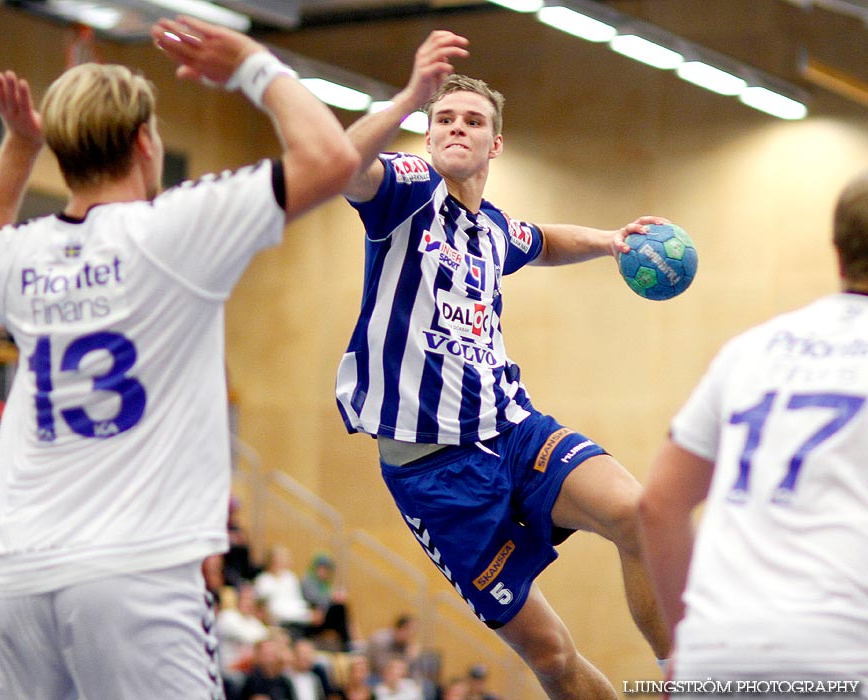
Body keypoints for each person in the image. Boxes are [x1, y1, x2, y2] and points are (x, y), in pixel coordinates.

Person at [0, 15, 358, 700]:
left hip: (14, 583)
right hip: (136, 578)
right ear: (146, 142)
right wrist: (255, 63)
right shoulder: (174, 230)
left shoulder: (24, 256)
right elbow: (331, 159)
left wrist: (21, 146)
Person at [335, 29, 669, 699]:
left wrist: (608, 241)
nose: (456, 128)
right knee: (551, 655)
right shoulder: (404, 194)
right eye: (444, 120)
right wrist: (408, 96)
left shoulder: (491, 229)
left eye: (473, 121)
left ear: (496, 144)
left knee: (637, 512)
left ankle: (686, 677)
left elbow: (542, 241)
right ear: (428, 138)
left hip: (512, 430)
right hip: (435, 475)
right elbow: (340, 162)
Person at [638, 172, 868, 697]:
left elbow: (658, 506)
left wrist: (686, 645)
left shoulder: (753, 349)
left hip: (718, 652)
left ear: (837, 251)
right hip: (842, 650)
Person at [301, 551, 354, 650]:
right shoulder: (308, 580)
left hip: (322, 615)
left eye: (327, 569)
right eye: (322, 568)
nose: (324, 572)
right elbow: (312, 599)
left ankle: (348, 642)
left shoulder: (325, 585)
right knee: (339, 608)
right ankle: (347, 643)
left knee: (341, 609)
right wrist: (331, 597)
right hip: (311, 616)